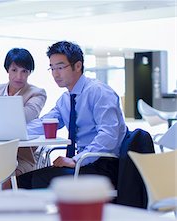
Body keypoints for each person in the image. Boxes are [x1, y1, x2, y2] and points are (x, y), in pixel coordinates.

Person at [17, 41, 127, 189]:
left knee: (27, 182)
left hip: (103, 165)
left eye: (61, 67)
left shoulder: (99, 92)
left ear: (78, 66)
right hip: (83, 164)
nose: (56, 74)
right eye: (52, 68)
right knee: (22, 180)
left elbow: (109, 135)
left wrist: (77, 160)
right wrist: (14, 131)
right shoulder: (66, 100)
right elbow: (45, 123)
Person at [0, 48, 47, 176]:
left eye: (24, 71)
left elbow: (23, 116)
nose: (19, 76)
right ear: (7, 70)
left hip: (21, 155)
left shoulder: (37, 93)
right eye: (14, 70)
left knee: (5, 174)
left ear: (29, 72)